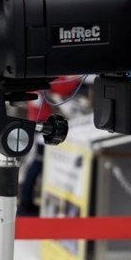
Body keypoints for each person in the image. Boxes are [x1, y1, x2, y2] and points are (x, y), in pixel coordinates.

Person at [18, 77, 81, 216]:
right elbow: (62, 86)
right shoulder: (42, 79)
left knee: (35, 164)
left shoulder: (33, 79)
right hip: (42, 124)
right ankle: (26, 202)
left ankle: (26, 201)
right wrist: (77, 78)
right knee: (37, 164)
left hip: (37, 122)